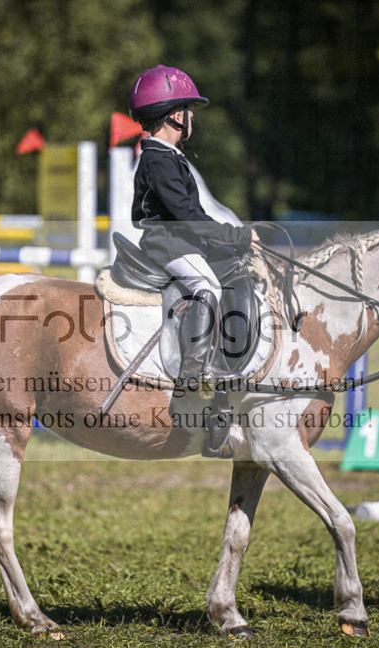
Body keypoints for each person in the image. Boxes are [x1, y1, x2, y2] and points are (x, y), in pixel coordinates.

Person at [128, 65, 259, 457]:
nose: (192, 117)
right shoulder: (158, 159)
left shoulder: (168, 156)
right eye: (188, 109)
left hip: (176, 240)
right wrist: (234, 235)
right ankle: (194, 377)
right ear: (174, 114)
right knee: (208, 287)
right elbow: (186, 214)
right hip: (166, 244)